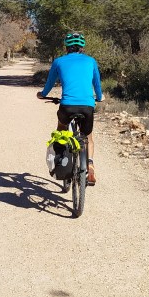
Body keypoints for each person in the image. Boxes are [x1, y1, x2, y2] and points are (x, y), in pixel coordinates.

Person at [37, 32, 102, 185]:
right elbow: (97, 84)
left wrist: (42, 94)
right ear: (82, 47)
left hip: (67, 106)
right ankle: (90, 165)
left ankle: (60, 158)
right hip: (87, 106)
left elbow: (49, 83)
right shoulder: (91, 61)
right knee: (88, 138)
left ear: (66, 47)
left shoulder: (58, 62)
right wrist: (99, 97)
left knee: (61, 129)